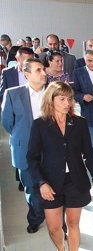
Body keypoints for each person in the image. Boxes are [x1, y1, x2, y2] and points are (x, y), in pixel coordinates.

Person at [27, 81, 93, 251]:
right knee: (54, 228)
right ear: (50, 100)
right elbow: (32, 158)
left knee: (73, 224)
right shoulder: (40, 124)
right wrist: (42, 183)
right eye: (62, 99)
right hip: (50, 182)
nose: (67, 103)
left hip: (75, 181)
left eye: (69, 99)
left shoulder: (79, 123)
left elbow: (88, 153)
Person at [1, 58, 48, 233]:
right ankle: (36, 217)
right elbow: (7, 123)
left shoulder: (52, 93)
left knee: (56, 185)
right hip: (24, 149)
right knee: (31, 188)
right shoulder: (13, 94)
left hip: (51, 150)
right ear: (26, 74)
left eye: (44, 69)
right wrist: (23, 136)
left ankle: (60, 222)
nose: (44, 73)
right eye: (38, 70)